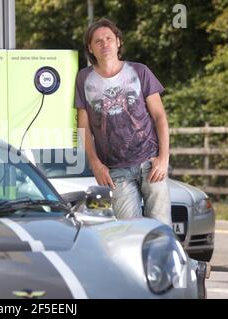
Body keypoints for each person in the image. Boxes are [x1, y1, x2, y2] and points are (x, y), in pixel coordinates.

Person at [75, 18, 171, 226]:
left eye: (109, 38)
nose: (105, 44)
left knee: (161, 228)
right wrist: (95, 164)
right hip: (115, 170)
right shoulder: (84, 79)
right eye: (98, 41)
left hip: (150, 161)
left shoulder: (140, 71)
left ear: (118, 41)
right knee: (130, 232)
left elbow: (159, 116)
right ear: (90, 48)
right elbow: (83, 125)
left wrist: (163, 158)